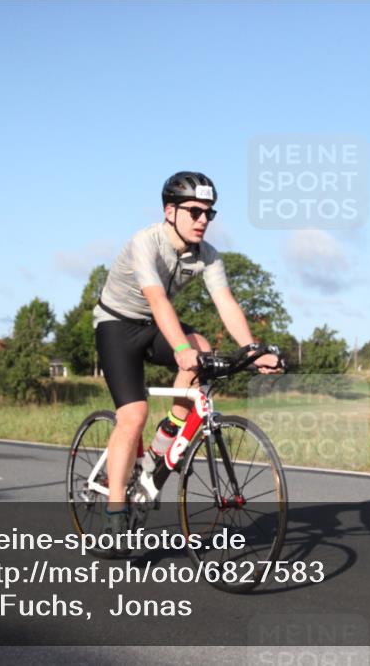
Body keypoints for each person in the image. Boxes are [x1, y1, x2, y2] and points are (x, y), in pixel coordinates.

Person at [92, 171, 280, 548]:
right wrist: (181, 351)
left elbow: (225, 302)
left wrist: (254, 348)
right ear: (169, 210)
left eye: (209, 214)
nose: (202, 221)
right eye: (194, 211)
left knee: (203, 348)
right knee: (133, 415)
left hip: (152, 324)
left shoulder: (207, 256)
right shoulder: (145, 242)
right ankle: (115, 513)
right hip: (116, 325)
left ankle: (166, 438)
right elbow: (158, 300)